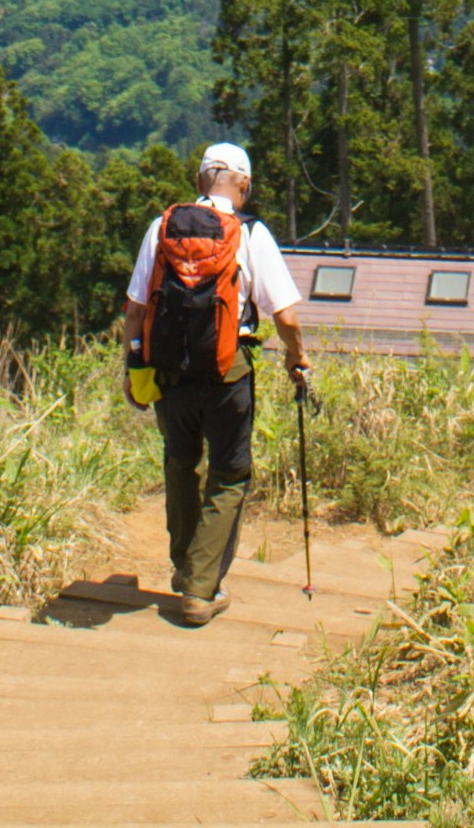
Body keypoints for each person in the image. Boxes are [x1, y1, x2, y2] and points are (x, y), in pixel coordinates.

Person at [121, 142, 310, 624]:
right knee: (229, 475)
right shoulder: (251, 233)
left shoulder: (162, 227)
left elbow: (137, 308)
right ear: (243, 185)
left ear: (201, 179)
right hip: (229, 372)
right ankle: (201, 590)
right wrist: (297, 356)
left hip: (169, 373)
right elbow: (285, 314)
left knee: (181, 464)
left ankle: (185, 570)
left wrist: (133, 365)